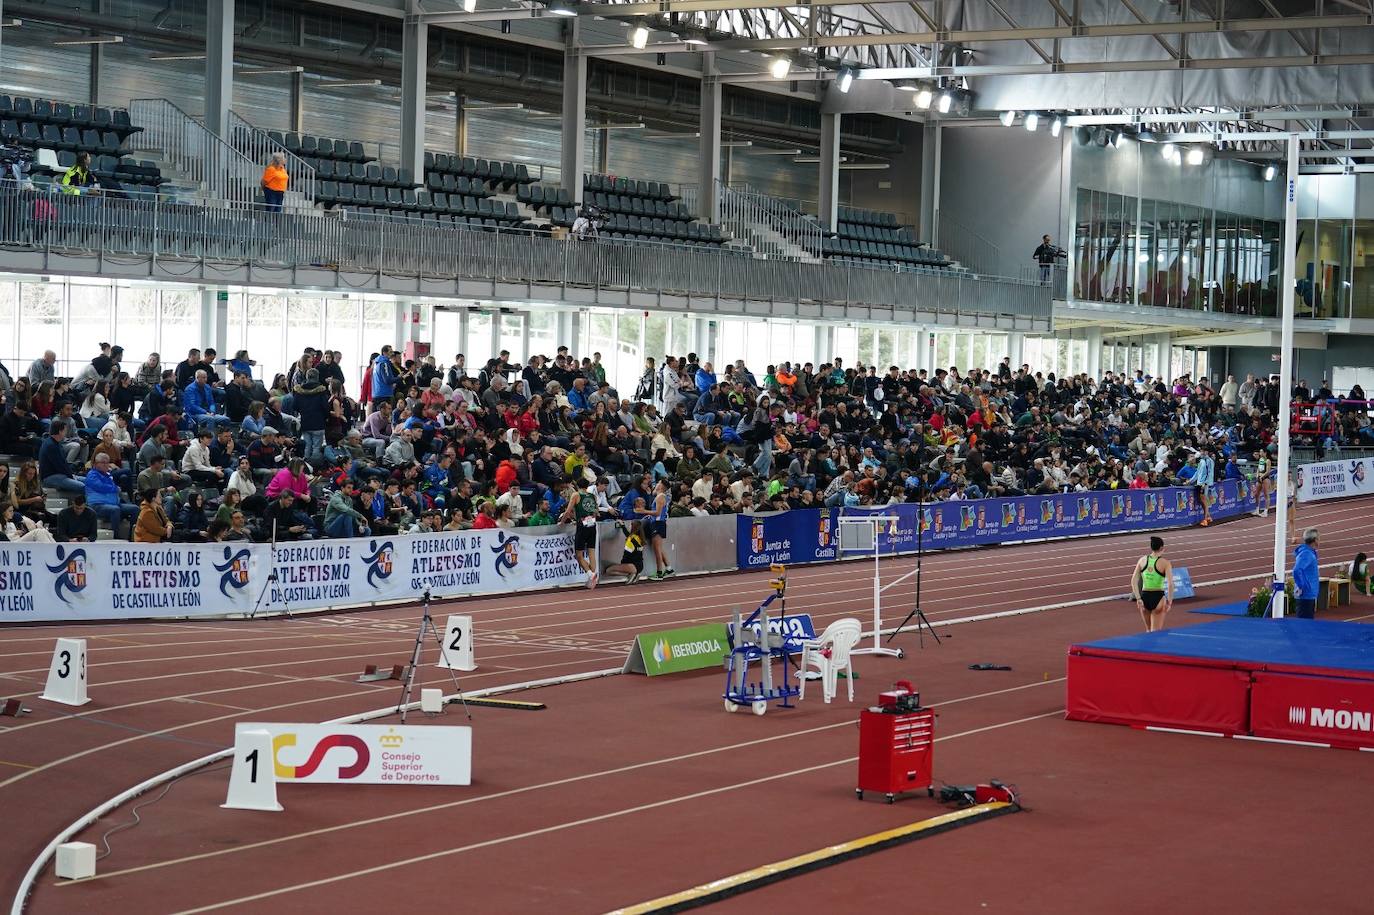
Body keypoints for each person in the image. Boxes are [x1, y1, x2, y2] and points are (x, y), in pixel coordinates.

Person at [561, 476, 600, 590]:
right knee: (592, 552)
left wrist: (562, 522)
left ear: (577, 486)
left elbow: (568, 511)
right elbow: (596, 512)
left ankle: (590, 574)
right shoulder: (592, 496)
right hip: (592, 525)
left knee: (579, 555)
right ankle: (592, 579)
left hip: (582, 526)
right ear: (587, 486)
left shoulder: (576, 495)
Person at [1130, 535, 1173, 632]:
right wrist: (1170, 602)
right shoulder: (1165, 563)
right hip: (1158, 596)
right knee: (1156, 633)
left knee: (1148, 631)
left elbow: (1133, 581)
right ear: (1162, 548)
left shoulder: (1142, 560)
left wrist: (1138, 598)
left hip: (1144, 597)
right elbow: (1170, 584)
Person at [643, 477, 674, 580]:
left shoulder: (661, 497)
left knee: (657, 549)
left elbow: (657, 513)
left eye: (658, 483)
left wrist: (643, 511)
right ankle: (668, 569)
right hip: (657, 523)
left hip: (658, 523)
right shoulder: (659, 496)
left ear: (661, 486)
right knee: (659, 548)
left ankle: (659, 573)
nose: (655, 485)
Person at [1292, 528, 1320, 619]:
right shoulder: (1307, 554)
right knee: (1305, 624)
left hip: (1308, 594)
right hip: (1305, 594)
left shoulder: (1309, 552)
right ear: (1315, 540)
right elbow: (1297, 570)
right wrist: (1302, 586)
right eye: (1318, 538)